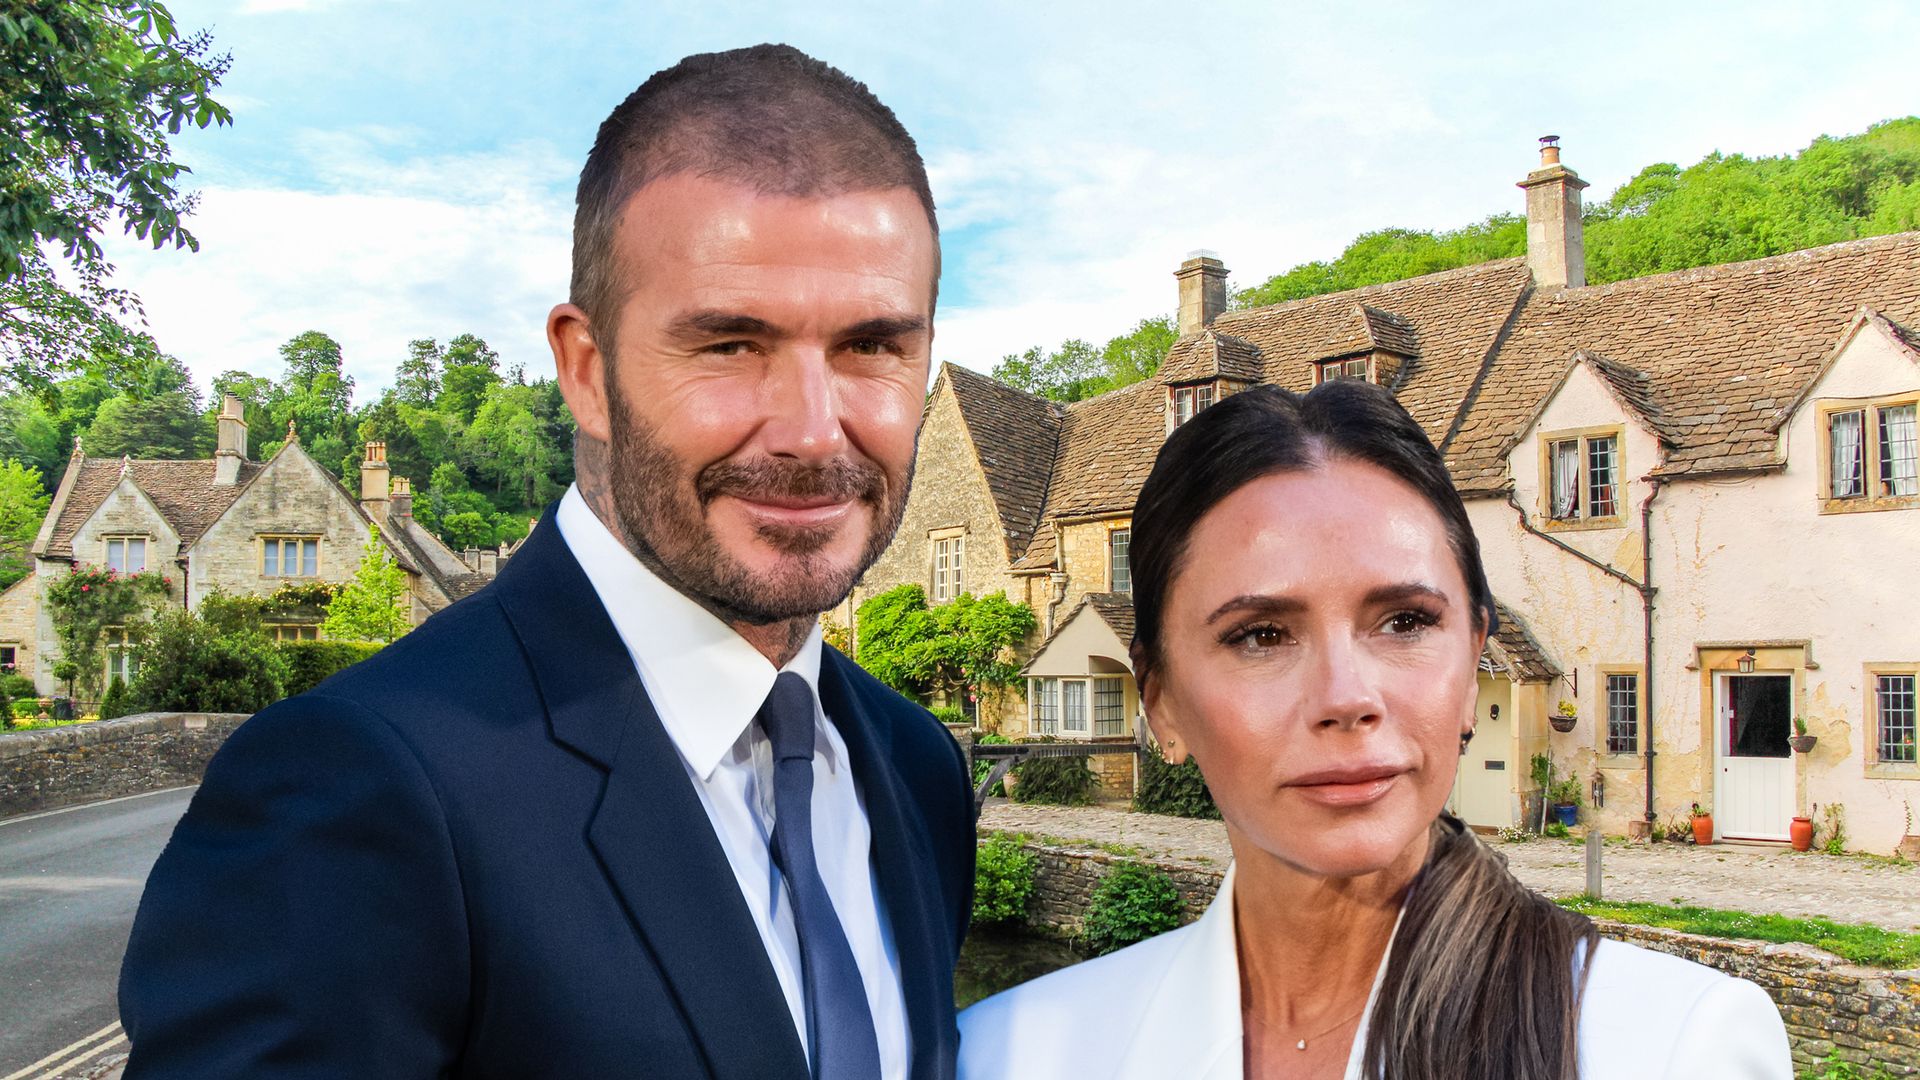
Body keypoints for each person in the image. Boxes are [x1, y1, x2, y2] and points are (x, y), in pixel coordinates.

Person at [119, 45, 973, 1080]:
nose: (809, 432)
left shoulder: (917, 768)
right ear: (586, 370)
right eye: (727, 345)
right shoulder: (353, 791)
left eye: (871, 347)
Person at [957, 381, 1791, 1080]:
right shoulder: (1014, 1052)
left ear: (1471, 663)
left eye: (1403, 621)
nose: (1346, 696)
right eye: (1260, 634)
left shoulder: (1676, 1045)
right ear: (1161, 702)